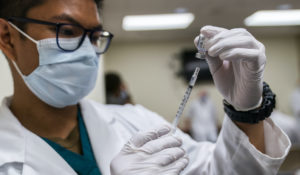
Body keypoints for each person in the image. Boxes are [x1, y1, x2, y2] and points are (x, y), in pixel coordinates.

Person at [0, 0, 291, 174]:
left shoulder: (136, 122)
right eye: (67, 31)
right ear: (8, 37)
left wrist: (247, 112)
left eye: (94, 36)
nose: (87, 51)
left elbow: (225, 171)